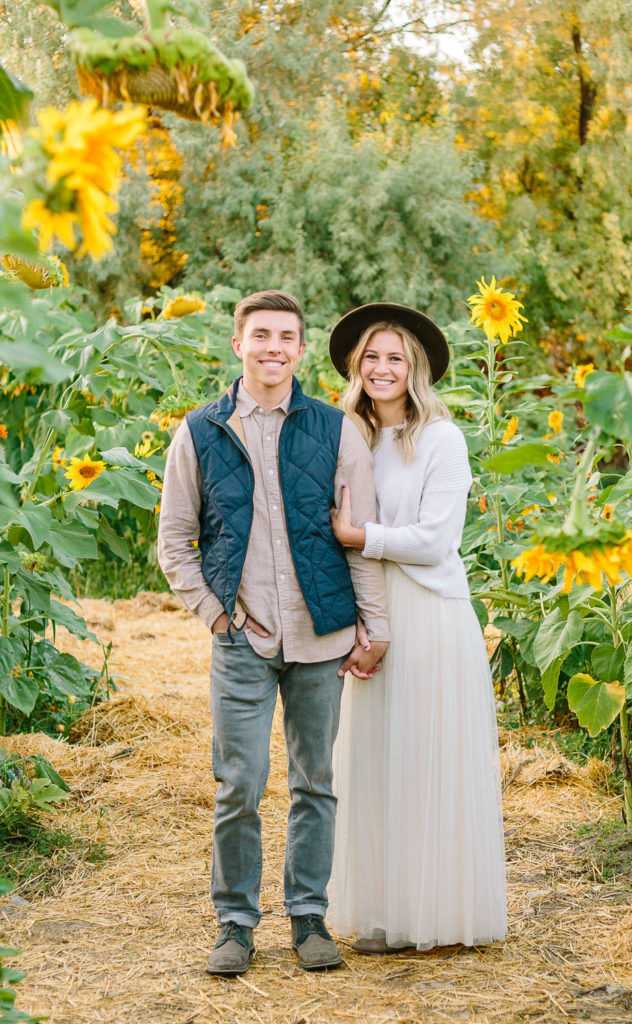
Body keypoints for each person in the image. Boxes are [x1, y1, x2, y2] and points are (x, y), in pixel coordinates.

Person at [157, 290, 389, 976]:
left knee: (316, 782)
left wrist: (373, 626)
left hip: (321, 638)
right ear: (239, 345)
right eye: (261, 335)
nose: (273, 348)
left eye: (286, 336)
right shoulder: (198, 431)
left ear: (299, 347)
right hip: (243, 642)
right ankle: (234, 923)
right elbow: (174, 542)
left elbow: (358, 540)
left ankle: (308, 917)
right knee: (239, 784)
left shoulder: (334, 429)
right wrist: (216, 615)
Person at [327, 302, 507, 953]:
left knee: (426, 760)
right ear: (355, 367)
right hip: (370, 616)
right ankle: (386, 912)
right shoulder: (346, 437)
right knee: (376, 764)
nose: (380, 368)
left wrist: (358, 534)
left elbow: (435, 541)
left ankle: (434, 914)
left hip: (429, 615)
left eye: (393, 358)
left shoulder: (439, 438)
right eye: (370, 357)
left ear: (415, 368)